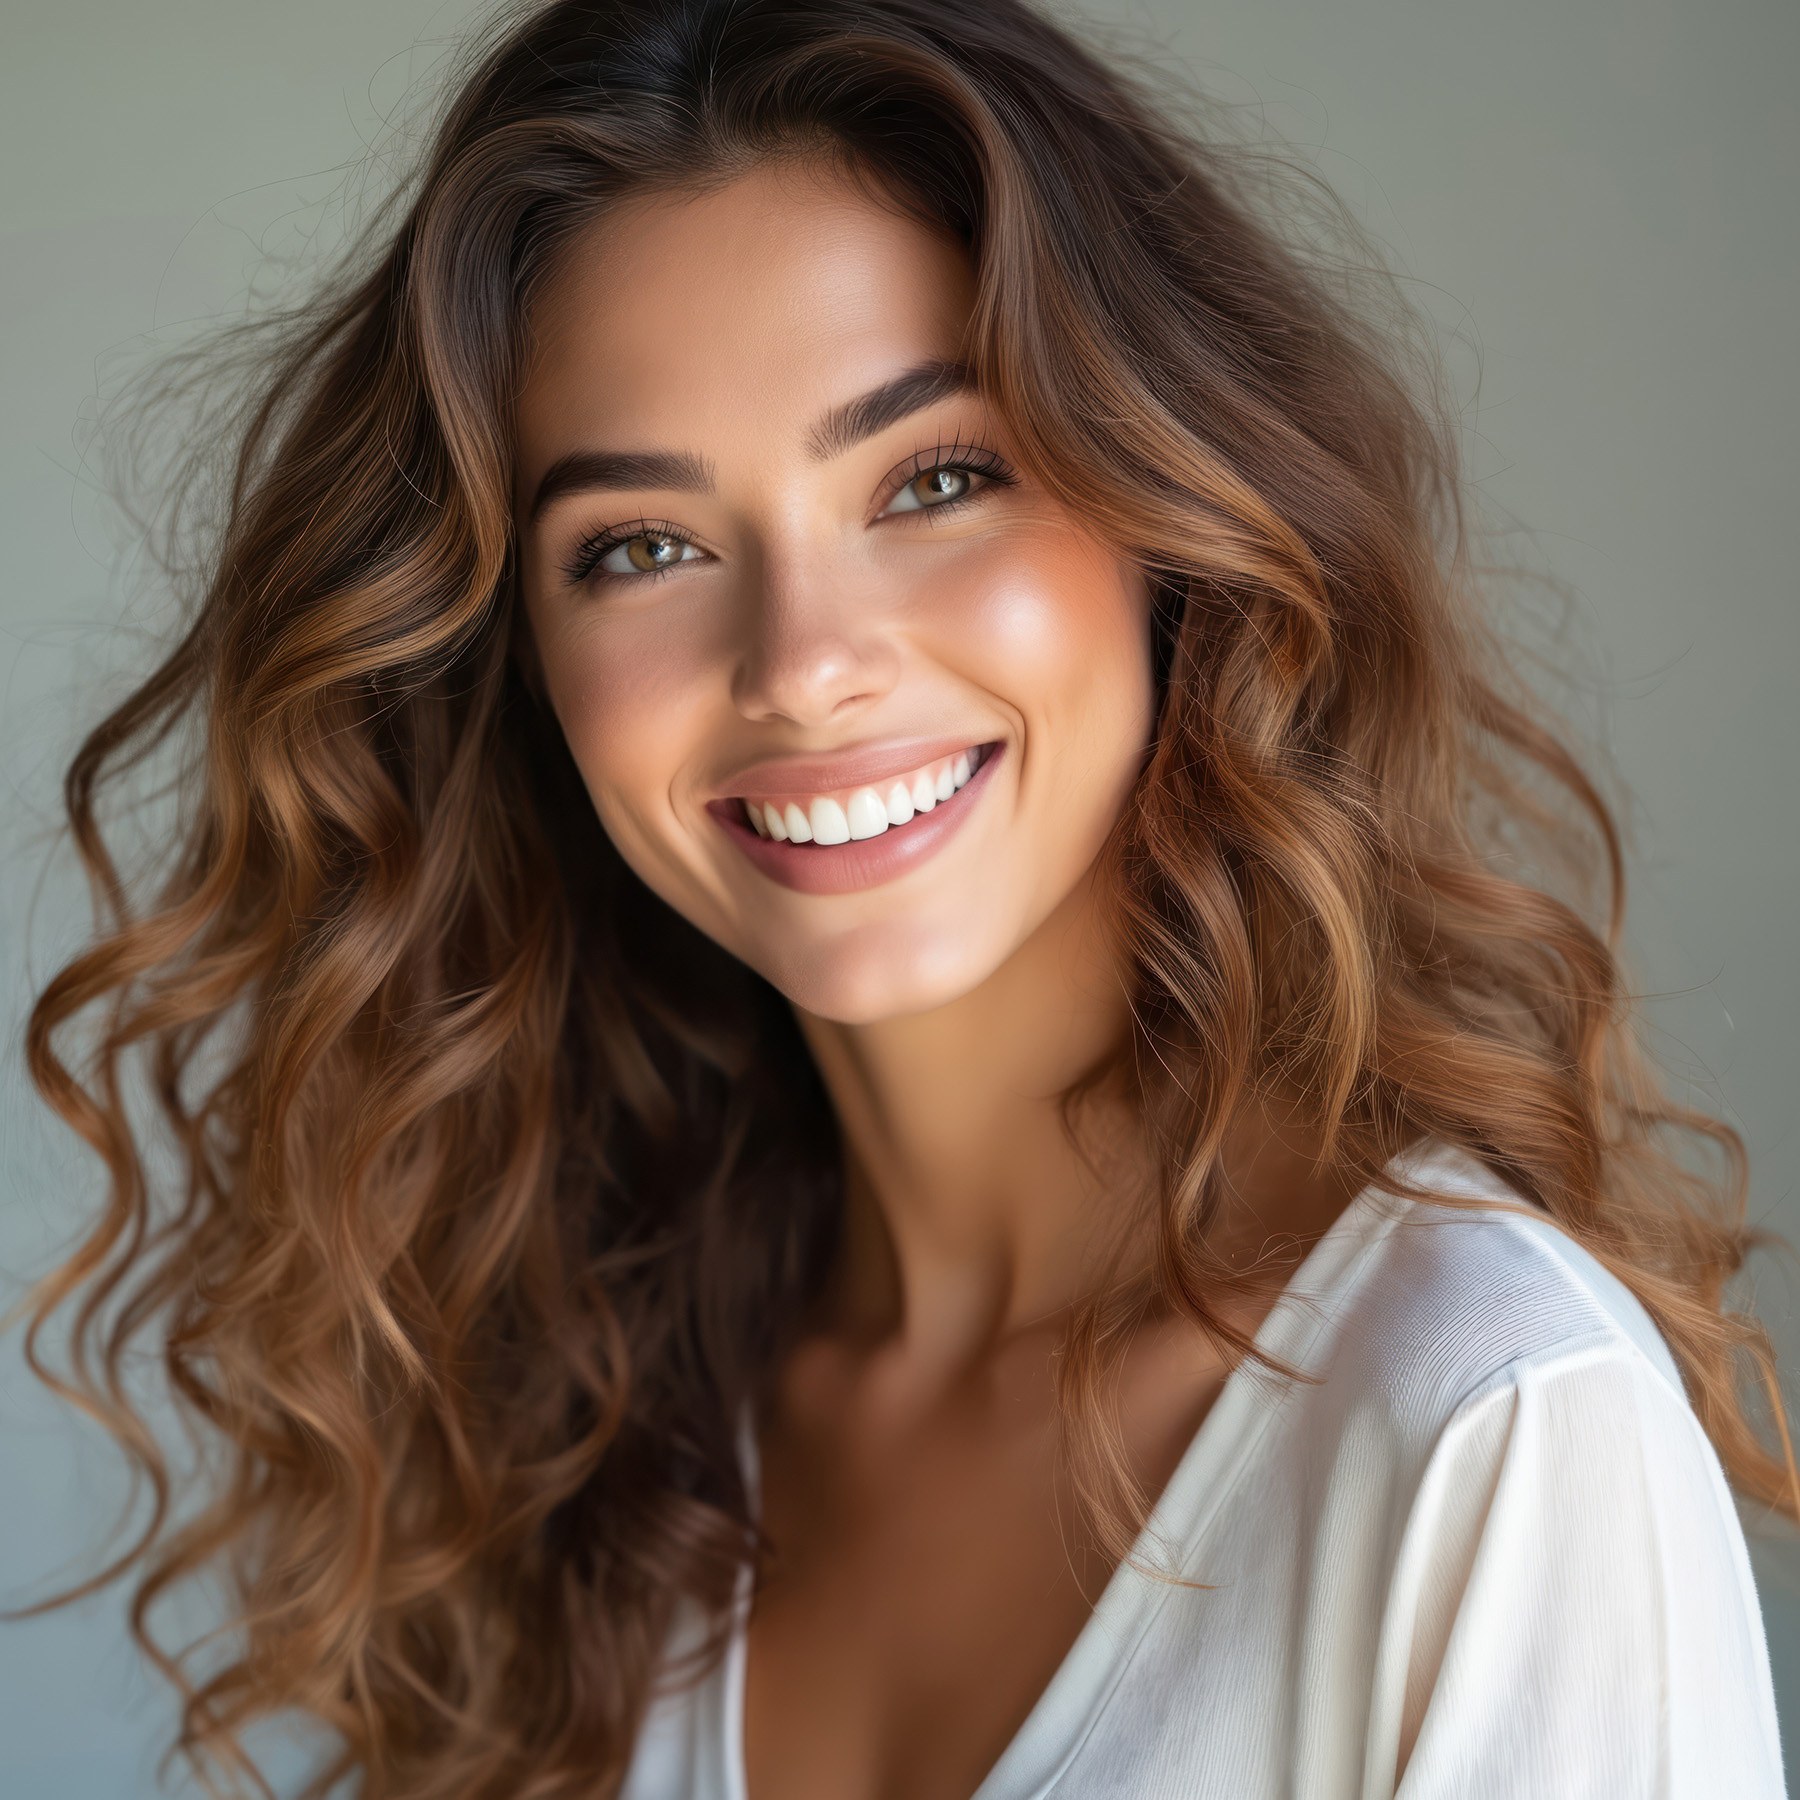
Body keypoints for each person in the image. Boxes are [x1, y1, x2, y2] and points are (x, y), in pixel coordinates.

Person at [22, 1, 1789, 1795]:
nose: (801, 666)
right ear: (516, 663)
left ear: (1171, 518)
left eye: (936, 478)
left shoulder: (1488, 1423)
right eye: (640, 547)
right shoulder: (603, 1427)